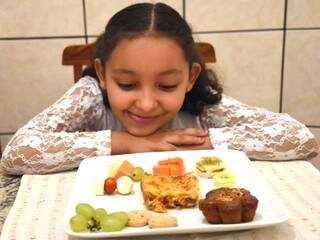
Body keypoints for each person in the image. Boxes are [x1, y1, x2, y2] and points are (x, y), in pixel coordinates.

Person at [1, 3, 318, 175]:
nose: (147, 103)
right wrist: (125, 143)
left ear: (191, 77)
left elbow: (302, 139)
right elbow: (15, 154)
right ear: (102, 72)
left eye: (167, 85)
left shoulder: (201, 107)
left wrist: (203, 143)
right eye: (126, 84)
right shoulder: (90, 97)